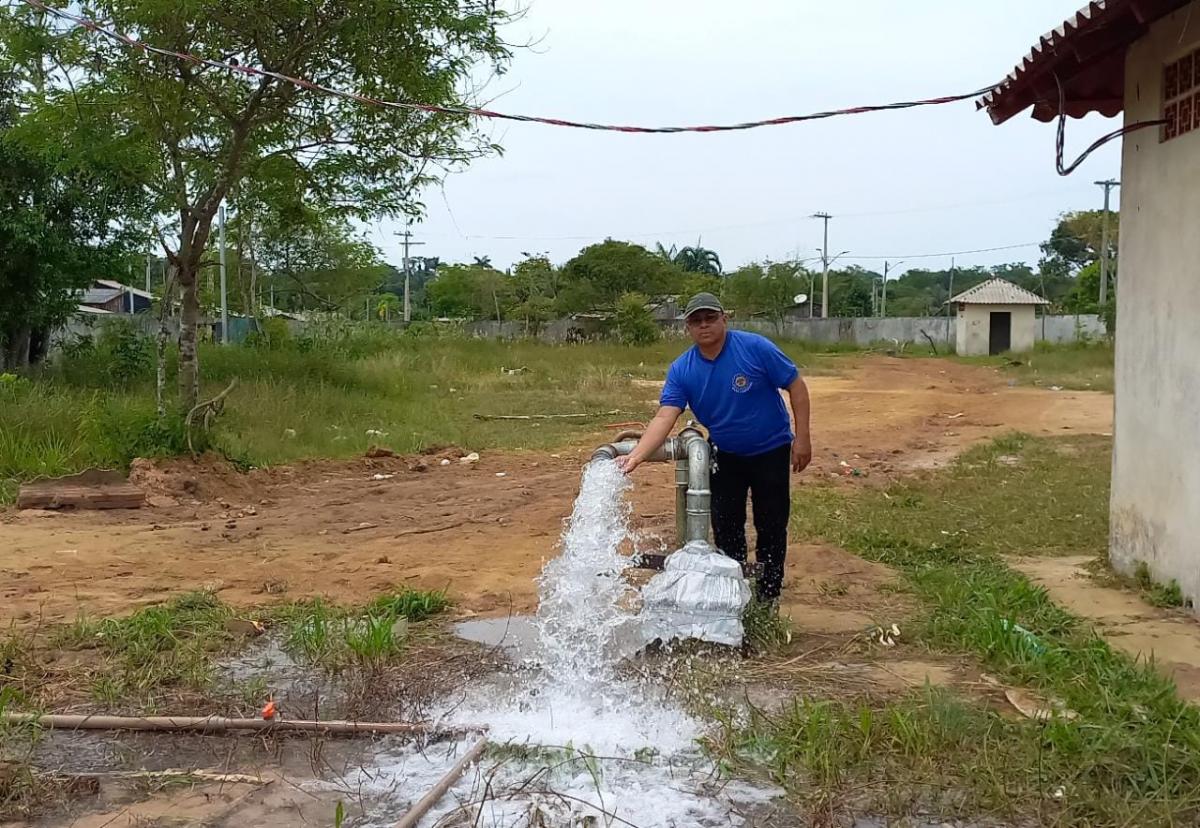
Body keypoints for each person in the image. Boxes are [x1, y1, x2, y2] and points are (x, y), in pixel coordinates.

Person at [617, 292, 812, 603]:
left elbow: (796, 386)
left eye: (710, 318)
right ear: (688, 328)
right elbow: (666, 415)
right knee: (726, 527)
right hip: (725, 454)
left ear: (724, 319)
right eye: (696, 321)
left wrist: (802, 438)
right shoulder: (683, 369)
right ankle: (735, 594)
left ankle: (768, 597)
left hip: (771, 450)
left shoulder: (755, 348)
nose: (704, 325)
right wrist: (637, 455)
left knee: (771, 524)